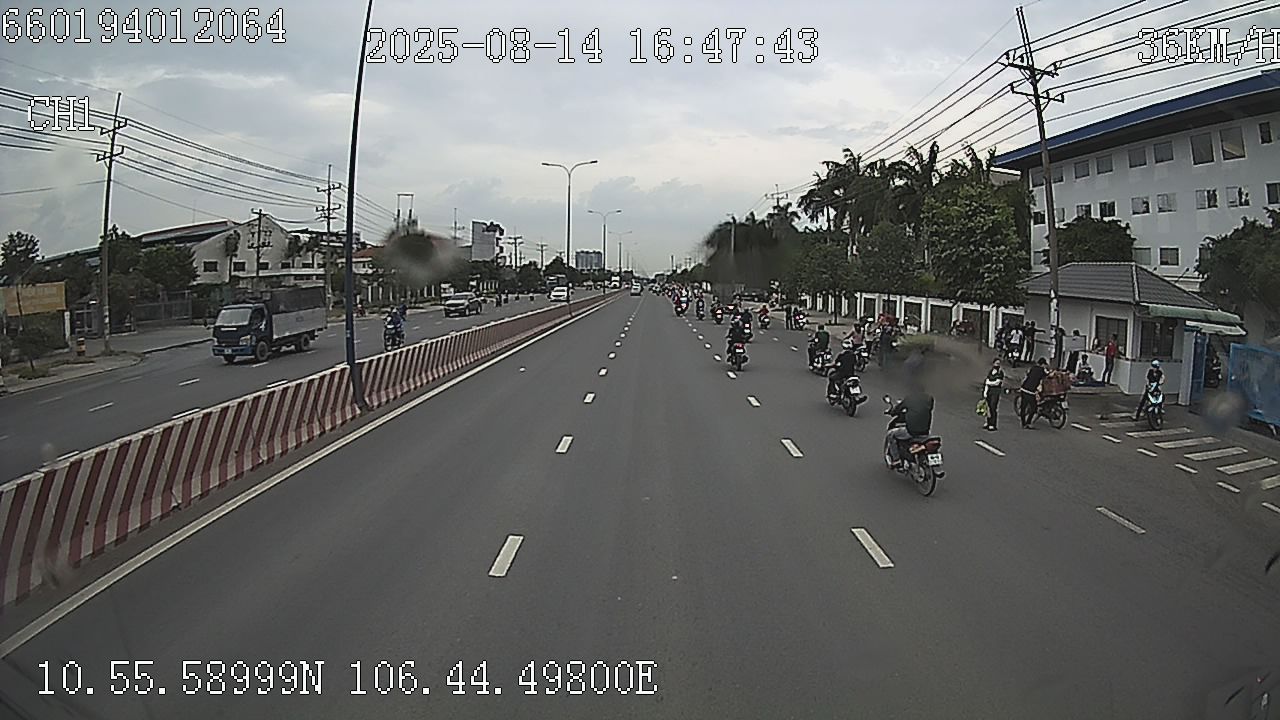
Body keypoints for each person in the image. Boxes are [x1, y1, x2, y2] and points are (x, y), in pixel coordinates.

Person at [886, 381, 935, 468]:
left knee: (891, 434)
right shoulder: (929, 398)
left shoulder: (909, 398)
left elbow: (898, 409)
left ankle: (896, 460)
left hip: (911, 431)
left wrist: (892, 412)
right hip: (925, 432)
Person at [1019, 358, 1050, 428]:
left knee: (1023, 407)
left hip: (1024, 388)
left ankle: (1023, 423)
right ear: (1043, 364)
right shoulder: (1041, 370)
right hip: (1030, 391)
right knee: (1034, 408)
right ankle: (1028, 422)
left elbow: (1028, 374)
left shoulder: (1033, 368)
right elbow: (1047, 375)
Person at [983, 357, 1005, 431]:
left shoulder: (1000, 373)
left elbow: (997, 382)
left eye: (998, 363)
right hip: (989, 391)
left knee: (993, 406)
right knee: (988, 407)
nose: (997, 365)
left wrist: (989, 383)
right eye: (996, 363)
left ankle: (992, 424)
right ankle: (988, 422)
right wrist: (985, 392)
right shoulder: (991, 371)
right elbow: (986, 382)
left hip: (996, 392)